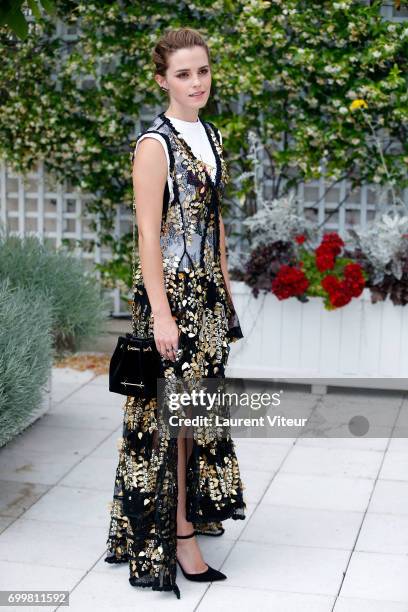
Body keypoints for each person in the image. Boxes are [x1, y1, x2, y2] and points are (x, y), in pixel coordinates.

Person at [104, 27, 246, 599]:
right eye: (184, 74)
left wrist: (227, 288)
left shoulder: (211, 134)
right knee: (174, 421)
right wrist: (161, 315)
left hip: (208, 296)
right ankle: (180, 537)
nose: (197, 83)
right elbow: (147, 236)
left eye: (203, 71)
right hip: (171, 299)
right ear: (162, 79)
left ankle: (169, 523)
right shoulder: (154, 144)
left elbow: (214, 222)